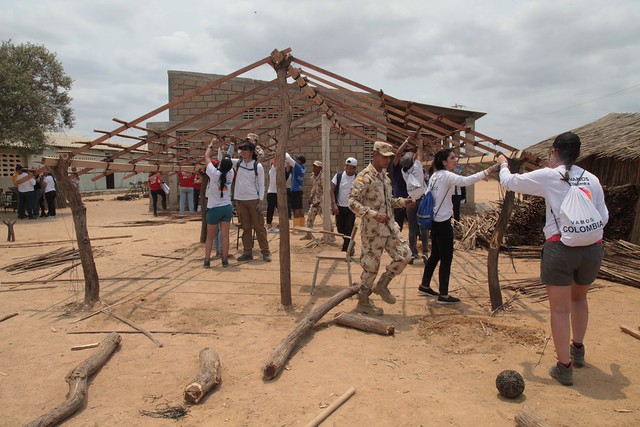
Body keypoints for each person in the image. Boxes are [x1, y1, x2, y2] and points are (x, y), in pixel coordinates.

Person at [496, 132, 608, 386]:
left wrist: (503, 163)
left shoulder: (550, 175)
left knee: (559, 309)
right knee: (579, 298)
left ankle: (564, 367)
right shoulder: (592, 179)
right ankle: (577, 350)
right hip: (592, 249)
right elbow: (603, 216)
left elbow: (510, 182)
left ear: (555, 152)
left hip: (560, 248)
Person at [418, 149, 499, 304]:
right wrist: (489, 170)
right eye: (452, 158)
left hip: (434, 221)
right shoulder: (447, 176)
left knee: (435, 254)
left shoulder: (435, 175)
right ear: (444, 162)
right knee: (446, 258)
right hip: (443, 223)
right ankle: (444, 295)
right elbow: (466, 181)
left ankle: (425, 285)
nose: (456, 160)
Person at [349, 141, 415, 316]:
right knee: (371, 267)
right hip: (372, 231)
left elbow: (386, 202)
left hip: (389, 227)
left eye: (389, 158)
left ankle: (382, 285)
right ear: (375, 155)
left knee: (405, 255)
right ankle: (363, 301)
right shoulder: (364, 177)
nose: (387, 161)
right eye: (384, 157)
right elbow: (352, 203)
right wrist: (372, 214)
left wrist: (402, 202)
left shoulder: (384, 177)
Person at [231, 138, 271, 262]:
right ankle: (247, 252)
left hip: (253, 199)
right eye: (241, 149)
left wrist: (260, 201)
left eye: (245, 149)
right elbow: (224, 159)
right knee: (246, 226)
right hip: (241, 201)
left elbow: (261, 184)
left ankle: (265, 252)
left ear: (251, 151)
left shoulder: (257, 166)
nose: (242, 151)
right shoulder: (237, 163)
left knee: (259, 227)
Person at [203, 144, 235, 268]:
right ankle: (225, 260)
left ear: (220, 164)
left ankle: (207, 260)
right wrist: (223, 151)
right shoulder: (230, 173)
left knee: (210, 237)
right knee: (225, 236)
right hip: (226, 207)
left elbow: (206, 156)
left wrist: (211, 144)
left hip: (214, 208)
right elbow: (227, 163)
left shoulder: (214, 173)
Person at [400, 138, 429, 263]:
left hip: (411, 201)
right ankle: (426, 252)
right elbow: (420, 151)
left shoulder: (404, 172)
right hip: (422, 201)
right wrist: (420, 141)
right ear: (413, 161)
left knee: (412, 228)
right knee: (424, 228)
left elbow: (413, 158)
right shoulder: (417, 167)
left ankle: (413, 253)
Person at [331, 157, 358, 252]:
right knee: (340, 229)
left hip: (351, 208)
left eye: (351, 168)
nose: (348, 169)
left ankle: (346, 250)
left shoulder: (357, 178)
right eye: (347, 167)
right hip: (339, 207)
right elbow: (332, 190)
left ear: (354, 168)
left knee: (348, 229)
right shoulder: (338, 176)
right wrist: (334, 204)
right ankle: (350, 243)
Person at [390, 139, 410, 230]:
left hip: (409, 200)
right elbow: (398, 154)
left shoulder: (411, 169)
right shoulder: (397, 168)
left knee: (412, 227)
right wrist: (405, 142)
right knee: (398, 226)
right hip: (399, 200)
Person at [302, 160, 323, 239]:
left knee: (326, 219)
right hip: (315, 199)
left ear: (320, 168)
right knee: (310, 215)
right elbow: (314, 188)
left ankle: (330, 236)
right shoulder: (312, 176)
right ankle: (308, 234)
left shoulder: (323, 177)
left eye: (316, 167)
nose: (314, 168)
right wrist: (311, 197)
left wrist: (319, 202)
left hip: (323, 200)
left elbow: (326, 191)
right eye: (313, 166)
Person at [285, 153, 306, 227]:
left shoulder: (297, 167)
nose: (296, 160)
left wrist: (285, 151)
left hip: (295, 190)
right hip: (299, 189)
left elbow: (288, 158)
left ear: (300, 161)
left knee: (295, 208)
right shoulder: (303, 168)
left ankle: (297, 226)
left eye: (297, 159)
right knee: (300, 207)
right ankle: (302, 224)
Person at [265, 159, 279, 232]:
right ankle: (269, 226)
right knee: (270, 210)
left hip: (274, 193)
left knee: (279, 209)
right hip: (272, 193)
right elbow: (275, 161)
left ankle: (273, 225)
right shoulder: (272, 170)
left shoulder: (275, 172)